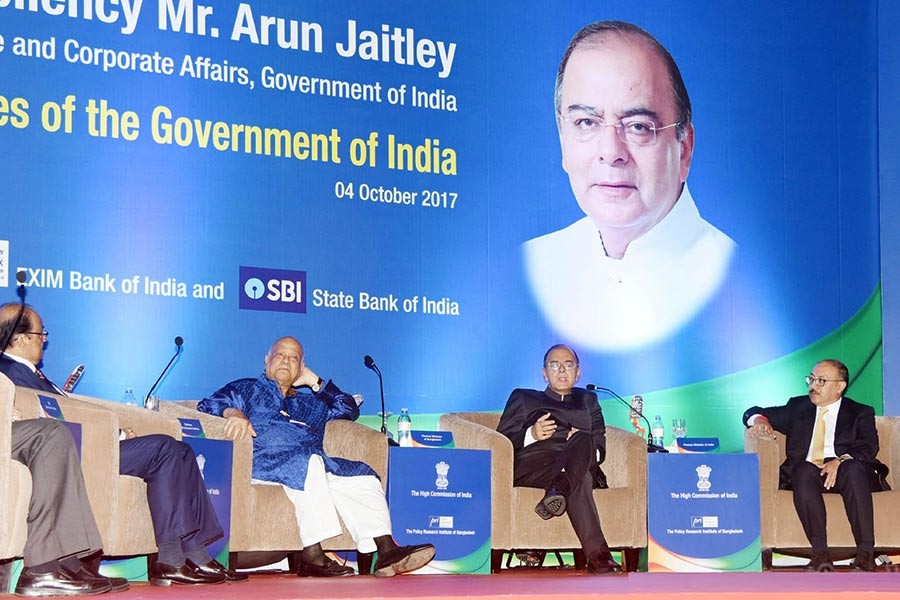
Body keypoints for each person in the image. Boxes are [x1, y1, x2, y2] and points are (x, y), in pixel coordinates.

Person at [523, 20, 735, 352]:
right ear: (563, 140)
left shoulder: (733, 275)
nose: (611, 153)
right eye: (586, 123)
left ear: (685, 148)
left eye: (637, 126)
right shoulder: (531, 265)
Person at [0, 303, 246, 588]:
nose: (45, 339)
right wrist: (111, 434)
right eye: (40, 334)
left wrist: (115, 431)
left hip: (93, 443)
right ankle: (170, 559)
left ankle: (191, 552)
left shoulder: (33, 373)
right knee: (165, 450)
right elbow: (52, 416)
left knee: (180, 450)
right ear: (20, 338)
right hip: (76, 448)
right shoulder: (8, 372)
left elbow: (71, 410)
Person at [198, 336, 435, 577]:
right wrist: (233, 412)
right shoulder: (246, 388)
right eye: (279, 355)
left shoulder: (309, 403)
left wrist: (314, 381)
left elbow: (348, 408)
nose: (285, 361)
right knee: (310, 463)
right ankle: (311, 554)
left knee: (362, 474)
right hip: (262, 461)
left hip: (312, 462)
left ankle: (386, 550)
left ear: (301, 367)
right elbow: (208, 405)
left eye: (293, 358)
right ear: (267, 360)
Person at [743, 359, 888, 572]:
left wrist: (839, 461)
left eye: (821, 381)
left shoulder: (860, 412)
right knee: (801, 469)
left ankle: (865, 554)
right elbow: (752, 411)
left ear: (840, 386)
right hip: (810, 475)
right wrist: (760, 421)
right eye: (811, 379)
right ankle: (820, 554)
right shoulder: (798, 407)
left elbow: (868, 447)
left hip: (849, 472)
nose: (813, 386)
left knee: (852, 468)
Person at [496, 344, 621, 575]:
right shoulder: (523, 397)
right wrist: (531, 434)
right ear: (544, 373)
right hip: (535, 467)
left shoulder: (588, 400)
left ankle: (559, 488)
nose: (562, 370)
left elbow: (599, 447)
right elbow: (501, 441)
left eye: (568, 364)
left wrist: (580, 447)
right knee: (579, 475)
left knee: (584, 442)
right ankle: (599, 556)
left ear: (578, 372)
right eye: (555, 365)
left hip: (580, 462)